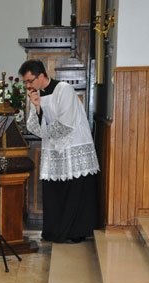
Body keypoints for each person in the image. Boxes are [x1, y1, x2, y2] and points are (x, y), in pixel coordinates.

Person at [19, 59, 99, 243]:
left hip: (73, 145)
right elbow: (33, 126)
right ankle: (54, 231)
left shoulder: (63, 89)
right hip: (54, 149)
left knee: (74, 189)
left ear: (41, 75)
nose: (27, 86)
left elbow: (66, 123)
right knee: (54, 191)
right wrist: (37, 107)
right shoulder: (37, 95)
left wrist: (47, 132)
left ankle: (74, 232)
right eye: (25, 82)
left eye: (29, 81)